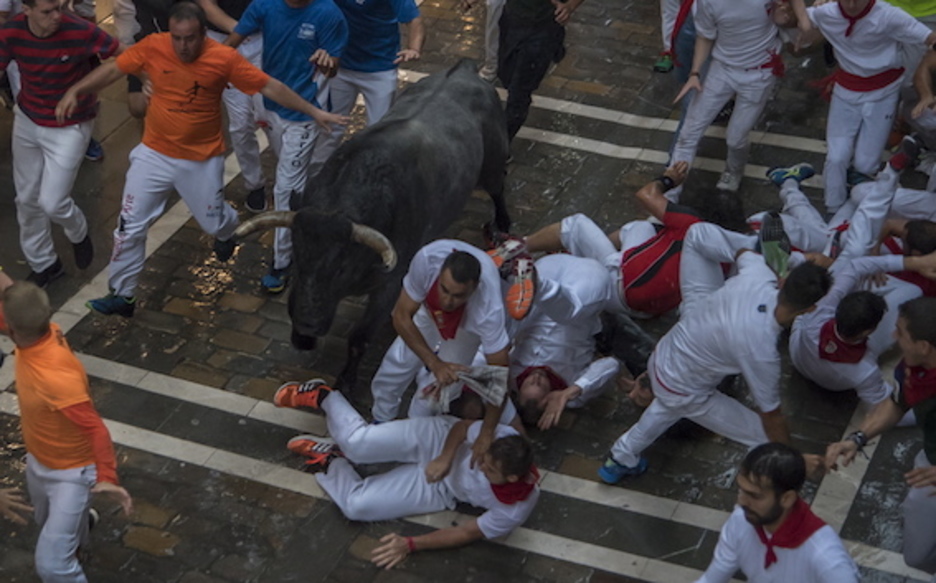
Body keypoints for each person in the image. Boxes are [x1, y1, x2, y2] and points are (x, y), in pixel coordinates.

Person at [56, 1, 346, 317]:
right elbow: (114, 67)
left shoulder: (223, 58)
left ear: (203, 33)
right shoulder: (153, 46)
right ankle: (122, 293)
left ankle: (226, 230)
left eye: (190, 38)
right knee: (128, 225)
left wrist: (313, 111)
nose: (183, 45)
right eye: (177, 38)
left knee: (213, 222)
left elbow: (271, 87)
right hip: (154, 154)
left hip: (200, 161)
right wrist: (77, 90)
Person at [598, 254, 832, 484]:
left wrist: (788, 259)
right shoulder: (761, 350)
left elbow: (745, 252)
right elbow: (772, 416)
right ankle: (763, 491)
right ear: (810, 309)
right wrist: (796, 460)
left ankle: (620, 457)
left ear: (783, 281)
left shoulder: (758, 273)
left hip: (662, 356)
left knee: (667, 408)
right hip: (685, 388)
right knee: (764, 435)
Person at [273, 379, 539, 569]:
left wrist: (411, 544)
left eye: (489, 469)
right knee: (357, 445)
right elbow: (461, 429)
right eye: (484, 459)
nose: (480, 465)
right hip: (438, 440)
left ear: (512, 479)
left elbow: (467, 533)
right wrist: (445, 458)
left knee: (357, 507)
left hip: (443, 489)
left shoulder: (514, 509)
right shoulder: (503, 438)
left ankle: (329, 460)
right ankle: (325, 396)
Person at [2, 281, 133, 583]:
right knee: (46, 521)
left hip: (72, 473)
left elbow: (95, 429)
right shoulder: (45, 330)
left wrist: (107, 478)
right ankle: (79, 525)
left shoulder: (55, 379)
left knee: (52, 566)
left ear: (10, 329)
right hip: (40, 461)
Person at [227, 0, 348, 293]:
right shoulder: (263, 6)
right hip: (270, 107)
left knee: (283, 188)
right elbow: (230, 45)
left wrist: (327, 63)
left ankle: (282, 262)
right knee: (293, 182)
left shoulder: (329, 14)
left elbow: (334, 66)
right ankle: (309, 213)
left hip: (305, 115)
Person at [0, 0, 121, 287]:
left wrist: (81, 89)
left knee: (52, 201)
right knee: (27, 198)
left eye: (58, 8)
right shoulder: (11, 33)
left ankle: (78, 232)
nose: (57, 17)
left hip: (70, 125)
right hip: (28, 118)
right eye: (47, 11)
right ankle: (44, 263)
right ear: (26, 10)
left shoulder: (78, 29)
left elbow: (123, 57)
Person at [489, 162, 703, 319]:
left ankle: (515, 248)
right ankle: (581, 254)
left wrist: (669, 179)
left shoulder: (693, 226)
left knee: (576, 224)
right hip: (647, 310)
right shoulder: (729, 258)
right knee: (640, 227)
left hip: (616, 287)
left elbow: (646, 194)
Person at [370, 240, 511, 464]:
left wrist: (487, 431)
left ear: (474, 289)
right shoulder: (426, 260)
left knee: (442, 388)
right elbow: (401, 315)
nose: (448, 300)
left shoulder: (488, 310)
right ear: (439, 274)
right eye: (444, 289)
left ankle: (416, 436)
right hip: (427, 309)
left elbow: (498, 378)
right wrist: (434, 362)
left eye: (457, 295)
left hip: (467, 328)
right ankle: (380, 424)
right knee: (396, 364)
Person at [826, 297, 936, 577]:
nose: (893, 336)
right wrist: (858, 438)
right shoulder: (916, 368)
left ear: (924, 346)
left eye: (900, 331)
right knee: (917, 555)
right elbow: (898, 402)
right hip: (931, 470)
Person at [792, 0, 936, 214]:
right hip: (845, 92)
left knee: (865, 165)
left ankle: (860, 188)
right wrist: (799, 21)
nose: (851, 5)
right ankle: (834, 210)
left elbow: (930, 39)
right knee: (836, 157)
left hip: (883, 94)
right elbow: (795, 23)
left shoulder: (890, 15)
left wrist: (927, 93)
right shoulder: (826, 12)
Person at [695, 442, 859, 583]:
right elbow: (712, 578)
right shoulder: (741, 520)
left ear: (787, 499)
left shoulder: (827, 559)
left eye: (755, 496)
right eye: (742, 491)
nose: (742, 502)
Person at [669, 0, 784, 195]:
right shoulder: (706, 2)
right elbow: (705, 36)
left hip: (759, 75)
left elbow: (793, 23)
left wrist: (793, 21)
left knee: (735, 139)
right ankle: (669, 197)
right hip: (721, 69)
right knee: (688, 136)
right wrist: (695, 73)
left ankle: (734, 170)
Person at [306, 0, 424, 178]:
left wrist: (414, 48)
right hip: (341, 67)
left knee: (379, 132)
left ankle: (375, 176)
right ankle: (315, 175)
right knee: (330, 126)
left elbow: (414, 20)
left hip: (380, 69)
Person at [509, 253, 621, 430]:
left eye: (530, 381)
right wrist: (571, 392)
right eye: (541, 384)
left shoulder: (511, 376)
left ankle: (510, 264)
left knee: (513, 321)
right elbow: (611, 365)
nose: (537, 375)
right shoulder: (571, 392)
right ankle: (538, 285)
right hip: (585, 288)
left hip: (548, 271)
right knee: (570, 314)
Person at [197, 0, 271, 212]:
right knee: (240, 125)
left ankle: (292, 179)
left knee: (270, 117)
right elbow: (206, 5)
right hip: (222, 42)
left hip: (262, 39)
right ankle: (254, 183)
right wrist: (238, 29)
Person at [492, 0, 584, 144]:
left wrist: (569, 6)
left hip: (542, 30)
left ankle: (501, 146)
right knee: (506, 76)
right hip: (512, 22)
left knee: (519, 93)